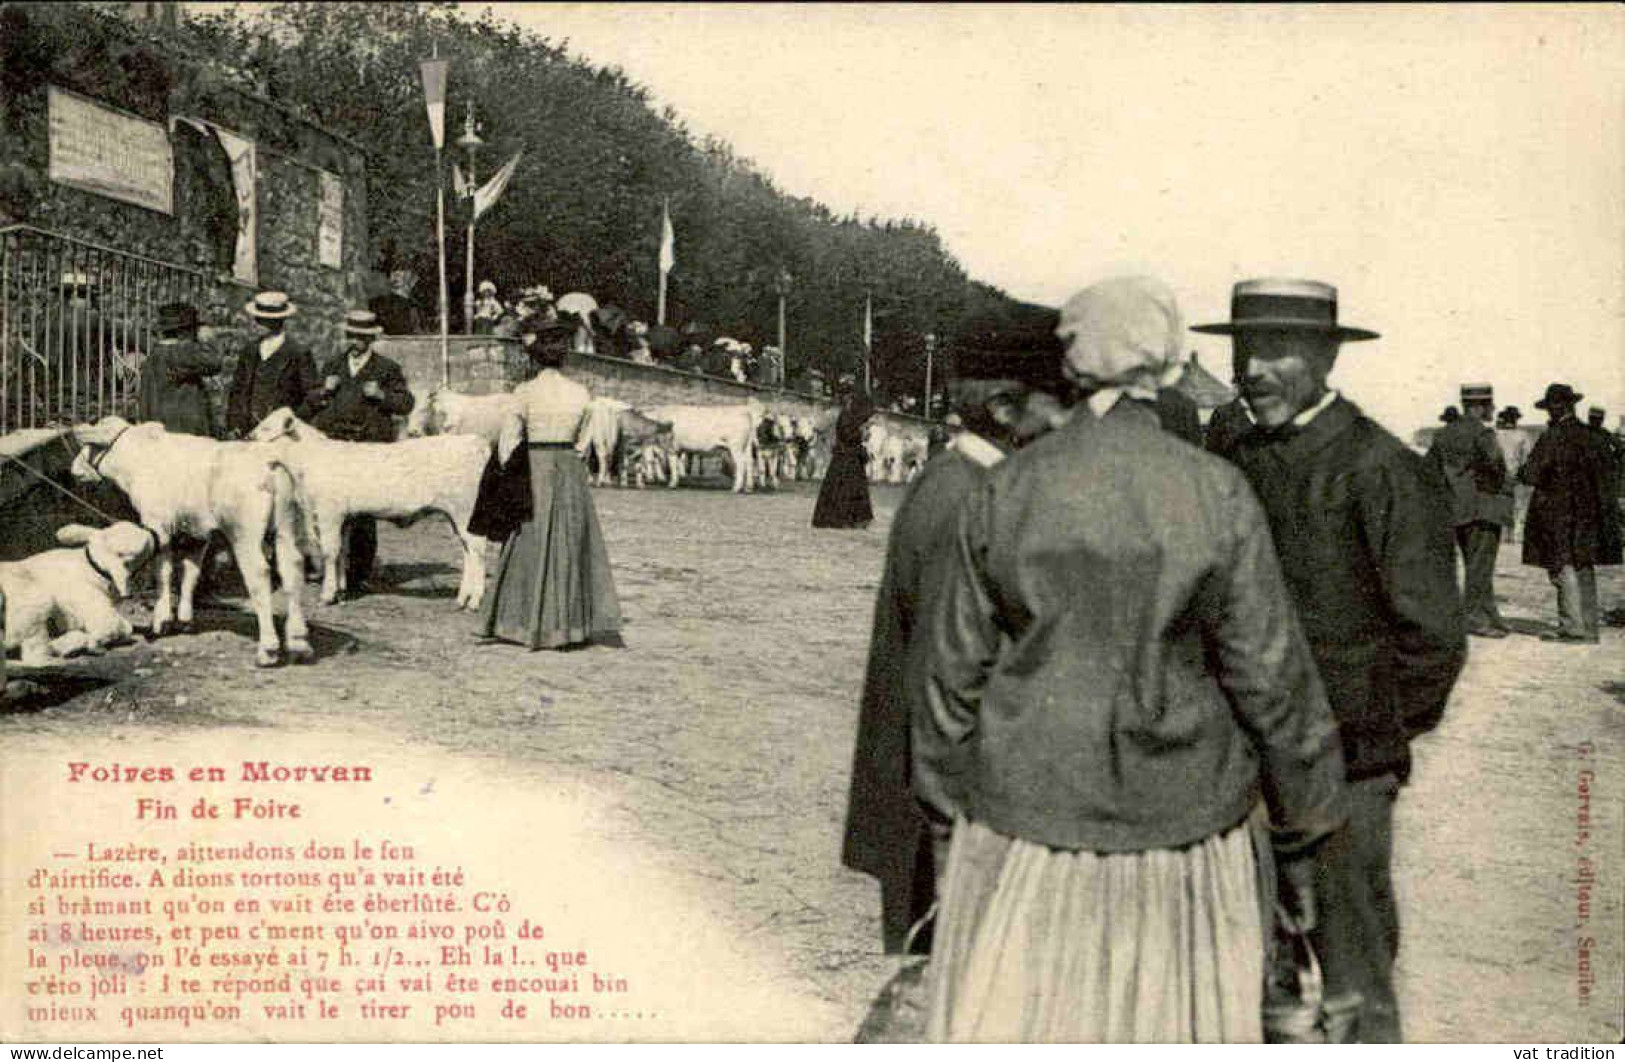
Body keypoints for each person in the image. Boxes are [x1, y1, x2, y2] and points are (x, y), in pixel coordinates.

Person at [919, 276, 1347, 1043]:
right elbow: (1272, 681)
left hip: (1024, 823)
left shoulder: (1006, 487)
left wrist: (947, 824)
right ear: (1172, 361)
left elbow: (950, 679)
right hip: (1182, 829)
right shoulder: (1216, 491)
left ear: (1074, 367)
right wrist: (1304, 832)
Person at [1194, 277, 1466, 1043]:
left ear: (1324, 358)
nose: (1252, 369)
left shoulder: (1380, 468)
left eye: (1276, 351)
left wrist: (1363, 742)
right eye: (1245, 349)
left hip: (1345, 769)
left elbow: (1432, 641)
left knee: (1348, 980)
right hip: (1234, 766)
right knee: (1250, 976)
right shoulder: (1230, 459)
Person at [842, 344, 1066, 966]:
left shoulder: (955, 479)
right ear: (1002, 408)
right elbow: (947, 669)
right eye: (1055, 403)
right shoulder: (971, 498)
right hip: (939, 811)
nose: (1063, 422)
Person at [475, 340, 620, 650]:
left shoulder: (524, 392)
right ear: (563, 358)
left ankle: (522, 622)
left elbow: (508, 442)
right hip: (567, 466)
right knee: (569, 539)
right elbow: (584, 441)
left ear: (534, 360)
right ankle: (567, 625)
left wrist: (506, 474)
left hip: (534, 464)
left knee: (530, 536)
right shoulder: (581, 393)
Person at [303, 310, 416, 596]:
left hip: (369, 445)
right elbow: (310, 401)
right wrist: (323, 392)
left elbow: (406, 403)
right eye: (352, 336)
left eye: (362, 337)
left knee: (364, 510)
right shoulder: (334, 365)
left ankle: (359, 573)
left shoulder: (386, 368)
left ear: (371, 338)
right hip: (335, 445)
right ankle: (332, 569)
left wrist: (381, 396)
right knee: (331, 511)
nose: (356, 342)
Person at [1520, 383, 1619, 643]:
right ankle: (1589, 628)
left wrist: (1522, 471)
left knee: (1561, 565)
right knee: (1583, 565)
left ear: (1557, 407)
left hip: (1557, 511)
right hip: (1587, 512)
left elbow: (1531, 474)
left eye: (1550, 408)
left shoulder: (1553, 437)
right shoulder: (1592, 436)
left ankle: (1572, 627)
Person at [1425, 383, 1513, 637]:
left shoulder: (1442, 434)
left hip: (1456, 509)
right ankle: (1474, 619)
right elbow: (1496, 466)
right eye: (1490, 405)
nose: (1493, 410)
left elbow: (1429, 470)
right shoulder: (1483, 434)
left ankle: (1490, 616)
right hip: (1483, 509)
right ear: (1480, 406)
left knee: (1476, 565)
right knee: (1480, 566)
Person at [225, 291, 321, 439]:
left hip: (281, 436)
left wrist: (291, 422)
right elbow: (237, 391)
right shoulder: (250, 350)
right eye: (257, 318)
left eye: (264, 319)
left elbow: (312, 395)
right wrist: (235, 425)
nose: (257, 323)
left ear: (279, 320)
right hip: (248, 432)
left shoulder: (297, 352)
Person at [137, 301, 223, 437]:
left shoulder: (156, 354)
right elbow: (215, 362)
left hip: (159, 426)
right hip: (183, 429)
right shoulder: (181, 351)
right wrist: (208, 339)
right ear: (184, 332)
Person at [811, 384, 875, 528]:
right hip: (846, 455)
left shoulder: (848, 415)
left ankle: (848, 518)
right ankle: (842, 518)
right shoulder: (844, 415)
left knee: (845, 488)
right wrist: (862, 434)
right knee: (845, 489)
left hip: (846, 455)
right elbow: (848, 435)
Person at [1495, 406, 1533, 541]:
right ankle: (1515, 535)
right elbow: (1527, 457)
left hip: (1498, 475)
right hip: (1516, 474)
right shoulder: (1523, 435)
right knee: (1517, 505)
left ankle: (1503, 534)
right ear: (1516, 419)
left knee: (1501, 505)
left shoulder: (1495, 434)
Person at [370, 270, 422, 336]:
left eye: (402, 270)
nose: (397, 274)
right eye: (393, 271)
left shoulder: (414, 306)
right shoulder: (377, 303)